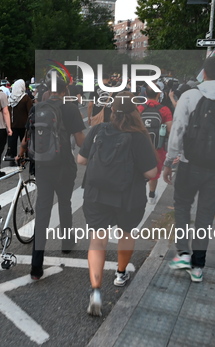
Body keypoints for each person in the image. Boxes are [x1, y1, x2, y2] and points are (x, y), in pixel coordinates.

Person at [162, 55, 215, 282]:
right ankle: (198, 267)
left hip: (190, 165)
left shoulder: (190, 96)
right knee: (205, 216)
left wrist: (169, 162)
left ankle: (183, 254)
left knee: (181, 208)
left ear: (204, 73)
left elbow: (177, 132)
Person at [78, 93, 157, 317]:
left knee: (97, 239)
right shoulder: (139, 137)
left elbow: (81, 160)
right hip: (128, 195)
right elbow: (150, 172)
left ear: (111, 112)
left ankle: (95, 291)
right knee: (126, 233)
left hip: (96, 193)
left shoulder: (97, 130)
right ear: (134, 113)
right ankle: (120, 274)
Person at [17, 78, 85, 280]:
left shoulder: (37, 108)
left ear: (48, 90)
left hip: (42, 166)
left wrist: (21, 153)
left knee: (43, 212)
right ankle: (66, 244)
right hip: (64, 165)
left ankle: (36, 267)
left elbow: (27, 137)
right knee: (65, 203)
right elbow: (80, 140)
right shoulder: (70, 109)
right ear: (65, 90)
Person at [138, 85, 173, 204]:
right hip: (157, 146)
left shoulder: (140, 108)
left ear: (146, 94)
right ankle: (152, 194)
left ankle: (138, 193)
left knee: (139, 168)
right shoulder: (164, 109)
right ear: (159, 94)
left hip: (141, 145)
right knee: (154, 171)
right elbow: (170, 129)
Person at [7, 79, 33, 161]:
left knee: (12, 141)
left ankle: (12, 157)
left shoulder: (10, 98)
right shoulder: (25, 98)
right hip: (24, 124)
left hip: (13, 124)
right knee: (25, 140)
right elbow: (30, 111)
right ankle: (25, 155)